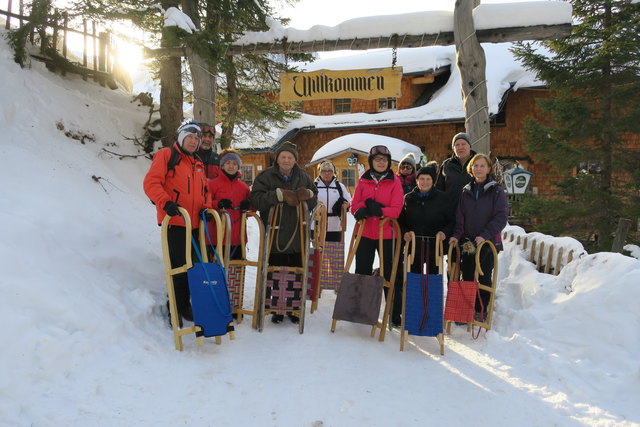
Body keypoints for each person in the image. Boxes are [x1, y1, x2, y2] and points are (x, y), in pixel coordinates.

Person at [143, 120, 208, 327]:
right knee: (177, 265)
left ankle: (184, 303)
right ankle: (174, 305)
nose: (193, 141)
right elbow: (151, 182)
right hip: (176, 221)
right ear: (181, 137)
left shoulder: (197, 163)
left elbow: (204, 190)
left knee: (192, 266)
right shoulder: (166, 156)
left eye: (196, 139)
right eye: (189, 137)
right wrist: (166, 203)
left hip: (195, 223)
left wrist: (206, 207)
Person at [250, 141, 318, 323]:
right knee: (275, 270)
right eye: (283, 157)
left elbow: (314, 198)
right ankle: (276, 308)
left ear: (295, 160)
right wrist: (277, 195)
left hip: (298, 233)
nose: (286, 160)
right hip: (275, 234)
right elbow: (256, 199)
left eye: (290, 157)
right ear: (277, 159)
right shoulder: (266, 176)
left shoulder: (303, 176)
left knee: (296, 269)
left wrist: (308, 196)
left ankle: (294, 308)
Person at [448, 153, 508, 318]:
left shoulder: (496, 190)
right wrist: (456, 235)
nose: (479, 169)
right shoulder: (466, 191)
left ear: (488, 169)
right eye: (476, 165)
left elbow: (501, 217)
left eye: (482, 166)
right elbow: (460, 218)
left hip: (488, 241)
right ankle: (467, 308)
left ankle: (481, 309)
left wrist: (484, 235)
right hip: (469, 242)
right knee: (467, 274)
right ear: (471, 169)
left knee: (483, 275)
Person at [351, 145, 404, 326]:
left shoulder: (395, 181)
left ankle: (393, 314)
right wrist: (359, 211)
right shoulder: (364, 180)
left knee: (391, 274)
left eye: (384, 160)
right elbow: (354, 204)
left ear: (388, 162)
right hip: (365, 232)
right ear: (371, 162)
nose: (380, 163)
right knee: (362, 271)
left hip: (387, 233)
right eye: (377, 159)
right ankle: (362, 310)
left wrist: (379, 210)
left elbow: (396, 210)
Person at [399, 161, 455, 274]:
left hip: (434, 246)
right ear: (416, 181)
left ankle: (431, 292)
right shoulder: (409, 198)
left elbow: (451, 221)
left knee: (433, 278)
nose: (425, 182)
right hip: (414, 245)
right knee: (414, 277)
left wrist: (444, 232)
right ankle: (415, 292)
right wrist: (404, 232)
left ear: (433, 181)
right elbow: (401, 220)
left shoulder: (442, 198)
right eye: (422, 179)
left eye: (428, 179)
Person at [206, 148, 251, 260]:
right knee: (218, 272)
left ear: (238, 166)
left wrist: (248, 206)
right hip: (217, 236)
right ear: (222, 165)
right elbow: (205, 203)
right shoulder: (212, 184)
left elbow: (251, 210)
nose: (231, 166)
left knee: (236, 272)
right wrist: (218, 204)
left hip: (238, 237)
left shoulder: (244, 187)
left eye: (234, 164)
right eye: (228, 163)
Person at [313, 160, 351, 242]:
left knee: (333, 253)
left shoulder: (340, 187)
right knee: (318, 252)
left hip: (335, 226)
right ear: (320, 172)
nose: (327, 173)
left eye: (330, 171)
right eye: (324, 171)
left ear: (333, 172)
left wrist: (344, 204)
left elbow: (349, 202)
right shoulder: (314, 186)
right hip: (317, 225)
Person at [436, 132, 476, 207]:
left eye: (463, 144)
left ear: (470, 146)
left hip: (474, 212)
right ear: (453, 148)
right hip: (451, 212)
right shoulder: (446, 165)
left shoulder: (479, 163)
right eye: (457, 145)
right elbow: (439, 190)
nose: (460, 147)